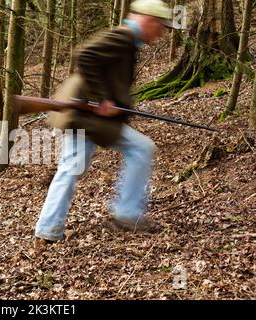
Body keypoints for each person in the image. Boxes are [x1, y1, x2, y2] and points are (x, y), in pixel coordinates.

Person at [34, 0, 173, 243]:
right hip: (87, 117)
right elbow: (84, 55)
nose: (160, 35)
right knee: (141, 149)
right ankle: (127, 212)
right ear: (149, 21)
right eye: (160, 27)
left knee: (71, 169)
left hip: (88, 118)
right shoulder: (123, 37)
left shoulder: (128, 40)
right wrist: (101, 98)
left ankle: (48, 230)